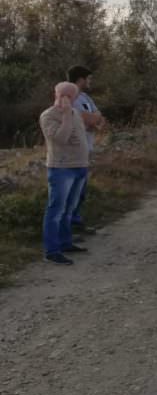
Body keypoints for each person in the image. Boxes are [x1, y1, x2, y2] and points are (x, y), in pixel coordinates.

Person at [39, 82, 90, 264]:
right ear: (59, 95)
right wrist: (66, 113)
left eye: (73, 96)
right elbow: (61, 138)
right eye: (68, 96)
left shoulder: (75, 113)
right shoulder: (48, 116)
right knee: (56, 209)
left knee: (69, 208)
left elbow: (81, 137)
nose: (72, 99)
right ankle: (52, 250)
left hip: (80, 166)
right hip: (62, 168)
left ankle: (65, 242)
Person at [66, 65, 104, 230]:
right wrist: (92, 120)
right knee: (72, 190)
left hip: (87, 148)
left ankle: (76, 221)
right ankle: (69, 226)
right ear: (80, 79)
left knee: (81, 189)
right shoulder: (69, 98)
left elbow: (99, 117)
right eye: (88, 79)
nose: (90, 82)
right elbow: (85, 119)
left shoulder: (86, 97)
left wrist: (94, 120)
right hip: (73, 151)